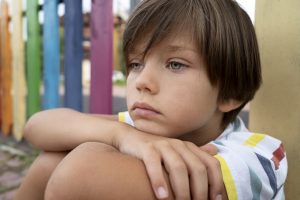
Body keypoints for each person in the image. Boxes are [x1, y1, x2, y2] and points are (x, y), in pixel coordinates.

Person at [16, 0, 287, 199]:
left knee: (78, 162)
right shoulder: (143, 129)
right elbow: (38, 126)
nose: (143, 81)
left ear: (230, 93)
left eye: (175, 64)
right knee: (51, 160)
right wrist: (121, 135)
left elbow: (80, 176)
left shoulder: (256, 156)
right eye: (136, 64)